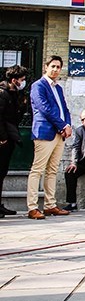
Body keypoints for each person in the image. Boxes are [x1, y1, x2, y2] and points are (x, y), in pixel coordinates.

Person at [26, 56, 72, 220]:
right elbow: (44, 109)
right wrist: (62, 125)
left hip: (60, 134)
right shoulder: (38, 86)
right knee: (37, 170)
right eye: (53, 66)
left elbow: (64, 108)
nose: (55, 69)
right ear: (46, 67)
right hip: (45, 132)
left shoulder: (58, 88)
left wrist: (68, 125)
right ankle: (32, 207)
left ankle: (50, 205)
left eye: (58, 67)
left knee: (52, 170)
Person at [0, 65, 28, 217]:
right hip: (3, 139)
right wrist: (2, 138)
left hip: (10, 137)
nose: (24, 82)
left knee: (2, 172)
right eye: (22, 80)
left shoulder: (15, 94)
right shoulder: (2, 94)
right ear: (14, 80)